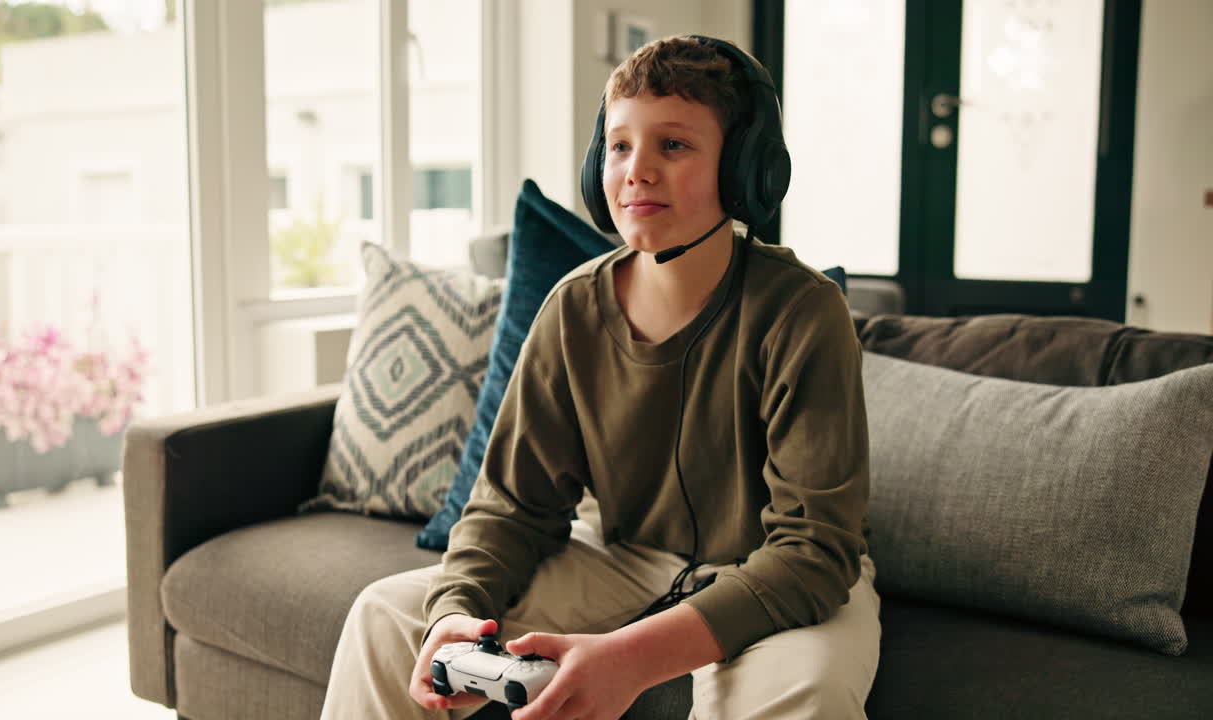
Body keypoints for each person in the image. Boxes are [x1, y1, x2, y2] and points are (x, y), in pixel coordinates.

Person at [320, 35, 880, 720]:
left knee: (806, 696)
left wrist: (631, 659)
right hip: (620, 552)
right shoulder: (573, 309)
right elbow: (510, 506)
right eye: (619, 147)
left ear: (745, 171)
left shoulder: (804, 311)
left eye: (673, 145)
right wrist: (456, 609)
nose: (636, 171)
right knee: (386, 619)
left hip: (770, 568)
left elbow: (813, 551)